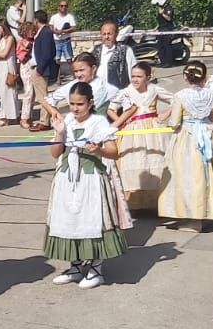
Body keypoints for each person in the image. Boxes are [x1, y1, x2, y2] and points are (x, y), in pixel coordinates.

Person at [45, 82, 126, 289]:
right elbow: (55, 153)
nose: (74, 108)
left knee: (92, 218)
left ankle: (96, 268)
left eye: (79, 104)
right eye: (71, 104)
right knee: (69, 219)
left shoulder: (99, 122)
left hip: (90, 178)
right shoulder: (66, 121)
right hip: (67, 177)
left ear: (90, 103)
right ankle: (75, 265)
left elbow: (113, 151)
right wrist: (60, 134)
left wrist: (97, 150)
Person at [157, 60, 213, 226]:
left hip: (187, 137)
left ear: (185, 77)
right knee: (209, 174)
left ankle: (192, 217)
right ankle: (210, 210)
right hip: (208, 135)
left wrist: (174, 123)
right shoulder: (212, 95)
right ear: (204, 77)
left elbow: (174, 122)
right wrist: (210, 118)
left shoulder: (181, 96)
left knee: (188, 176)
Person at [111, 65, 174, 211]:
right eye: (133, 76)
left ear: (148, 77)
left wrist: (165, 114)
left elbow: (175, 100)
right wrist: (120, 122)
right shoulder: (126, 91)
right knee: (134, 159)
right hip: (133, 130)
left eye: (139, 77)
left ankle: (157, 200)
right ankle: (135, 201)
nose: (135, 79)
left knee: (154, 159)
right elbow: (111, 108)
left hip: (153, 129)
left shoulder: (154, 90)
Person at [42, 53, 118, 122]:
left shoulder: (104, 86)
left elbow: (123, 102)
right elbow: (46, 102)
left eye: (82, 70)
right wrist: (59, 117)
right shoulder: (71, 86)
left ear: (93, 68)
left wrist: (117, 123)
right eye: (76, 71)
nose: (78, 74)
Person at [21, 9, 58, 131]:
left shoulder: (46, 32)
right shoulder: (42, 32)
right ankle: (44, 120)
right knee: (42, 96)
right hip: (37, 67)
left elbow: (48, 53)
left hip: (41, 69)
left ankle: (48, 119)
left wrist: (39, 69)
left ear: (36, 20)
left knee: (42, 97)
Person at [93, 19, 137, 96]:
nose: (106, 37)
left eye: (109, 34)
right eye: (104, 34)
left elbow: (134, 73)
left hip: (119, 95)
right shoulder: (95, 50)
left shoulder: (125, 50)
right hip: (99, 94)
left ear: (116, 34)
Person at [51, 0, 78, 77]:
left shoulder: (70, 17)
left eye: (65, 6)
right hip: (56, 41)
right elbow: (50, 27)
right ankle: (58, 78)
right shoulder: (54, 17)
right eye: (62, 6)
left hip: (66, 40)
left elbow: (74, 28)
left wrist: (63, 31)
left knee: (69, 60)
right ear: (58, 7)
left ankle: (74, 76)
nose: (64, 7)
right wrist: (55, 31)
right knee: (57, 60)